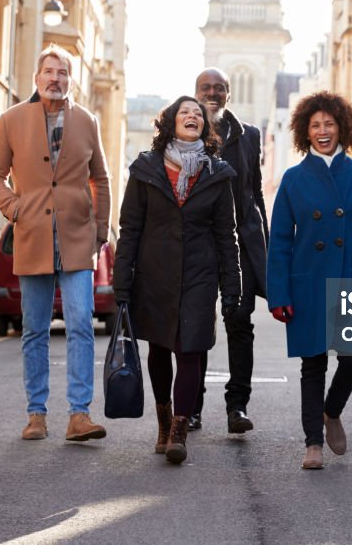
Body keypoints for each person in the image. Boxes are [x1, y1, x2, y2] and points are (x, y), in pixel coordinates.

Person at [0, 43, 111, 443]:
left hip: (76, 239)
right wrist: (14, 208)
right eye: (49, 72)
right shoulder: (11, 120)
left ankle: (79, 415)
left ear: (71, 80)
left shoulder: (87, 121)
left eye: (63, 73)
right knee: (35, 329)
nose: (56, 79)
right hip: (33, 236)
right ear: (37, 78)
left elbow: (101, 179)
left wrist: (100, 232)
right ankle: (36, 414)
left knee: (80, 326)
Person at [266, 91, 352, 470]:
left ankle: (331, 410)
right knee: (313, 364)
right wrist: (279, 293)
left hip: (351, 280)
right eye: (315, 125)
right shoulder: (293, 179)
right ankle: (312, 444)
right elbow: (280, 242)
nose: (323, 131)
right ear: (305, 132)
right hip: (308, 282)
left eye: (329, 124)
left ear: (342, 127)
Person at [113, 96, 242, 465]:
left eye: (198, 114)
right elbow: (130, 229)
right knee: (159, 349)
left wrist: (231, 286)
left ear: (205, 126)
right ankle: (164, 417)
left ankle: (179, 429)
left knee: (191, 350)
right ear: (170, 122)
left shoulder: (218, 174)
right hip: (155, 273)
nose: (192, 116)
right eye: (184, 112)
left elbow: (226, 235)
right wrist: (122, 282)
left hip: (200, 275)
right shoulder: (145, 169)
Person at [191, 67, 268, 434]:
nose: (213, 93)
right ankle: (192, 409)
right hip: (201, 246)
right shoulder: (186, 129)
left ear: (228, 94)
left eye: (219, 88)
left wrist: (262, 243)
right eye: (206, 87)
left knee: (239, 325)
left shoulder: (249, 135)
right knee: (198, 328)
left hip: (240, 247)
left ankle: (237, 406)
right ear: (195, 92)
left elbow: (256, 192)